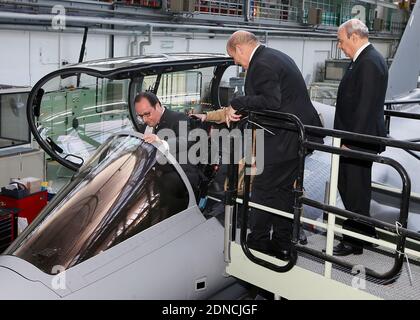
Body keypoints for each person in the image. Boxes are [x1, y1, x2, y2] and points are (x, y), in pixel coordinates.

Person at [225, 30, 323, 259]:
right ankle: (282, 241)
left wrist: (237, 102)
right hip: (293, 137)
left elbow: (271, 101)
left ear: (239, 48)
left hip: (283, 139)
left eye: (234, 57)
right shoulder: (275, 56)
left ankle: (257, 241)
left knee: (263, 188)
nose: (236, 63)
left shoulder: (261, 65)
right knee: (282, 191)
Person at [332, 19, 388, 256]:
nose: (340, 47)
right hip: (358, 137)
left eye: (341, 41)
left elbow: (364, 107)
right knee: (355, 187)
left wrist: (349, 142)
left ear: (355, 37)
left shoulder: (368, 63)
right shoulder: (366, 60)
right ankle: (365, 233)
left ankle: (353, 241)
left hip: (357, 140)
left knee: (353, 188)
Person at [134, 92, 200, 195]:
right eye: (140, 116)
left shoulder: (179, 118)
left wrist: (162, 143)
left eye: (147, 114)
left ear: (157, 106)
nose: (144, 120)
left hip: (181, 175)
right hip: (156, 174)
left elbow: (186, 140)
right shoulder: (145, 126)